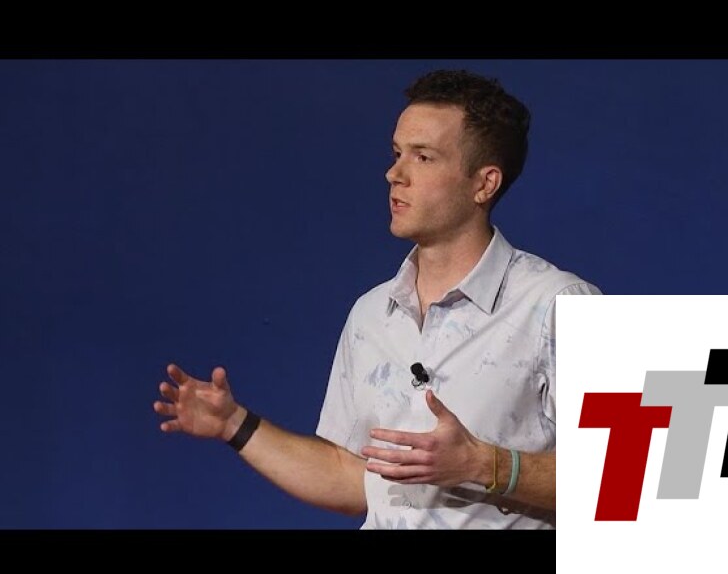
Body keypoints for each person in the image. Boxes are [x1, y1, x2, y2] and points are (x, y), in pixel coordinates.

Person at [154, 69, 602, 529]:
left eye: (423, 157)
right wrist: (234, 424)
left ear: (484, 184)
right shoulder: (371, 314)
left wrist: (483, 464)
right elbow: (352, 480)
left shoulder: (564, 303)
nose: (394, 174)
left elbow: (635, 477)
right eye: (396, 153)